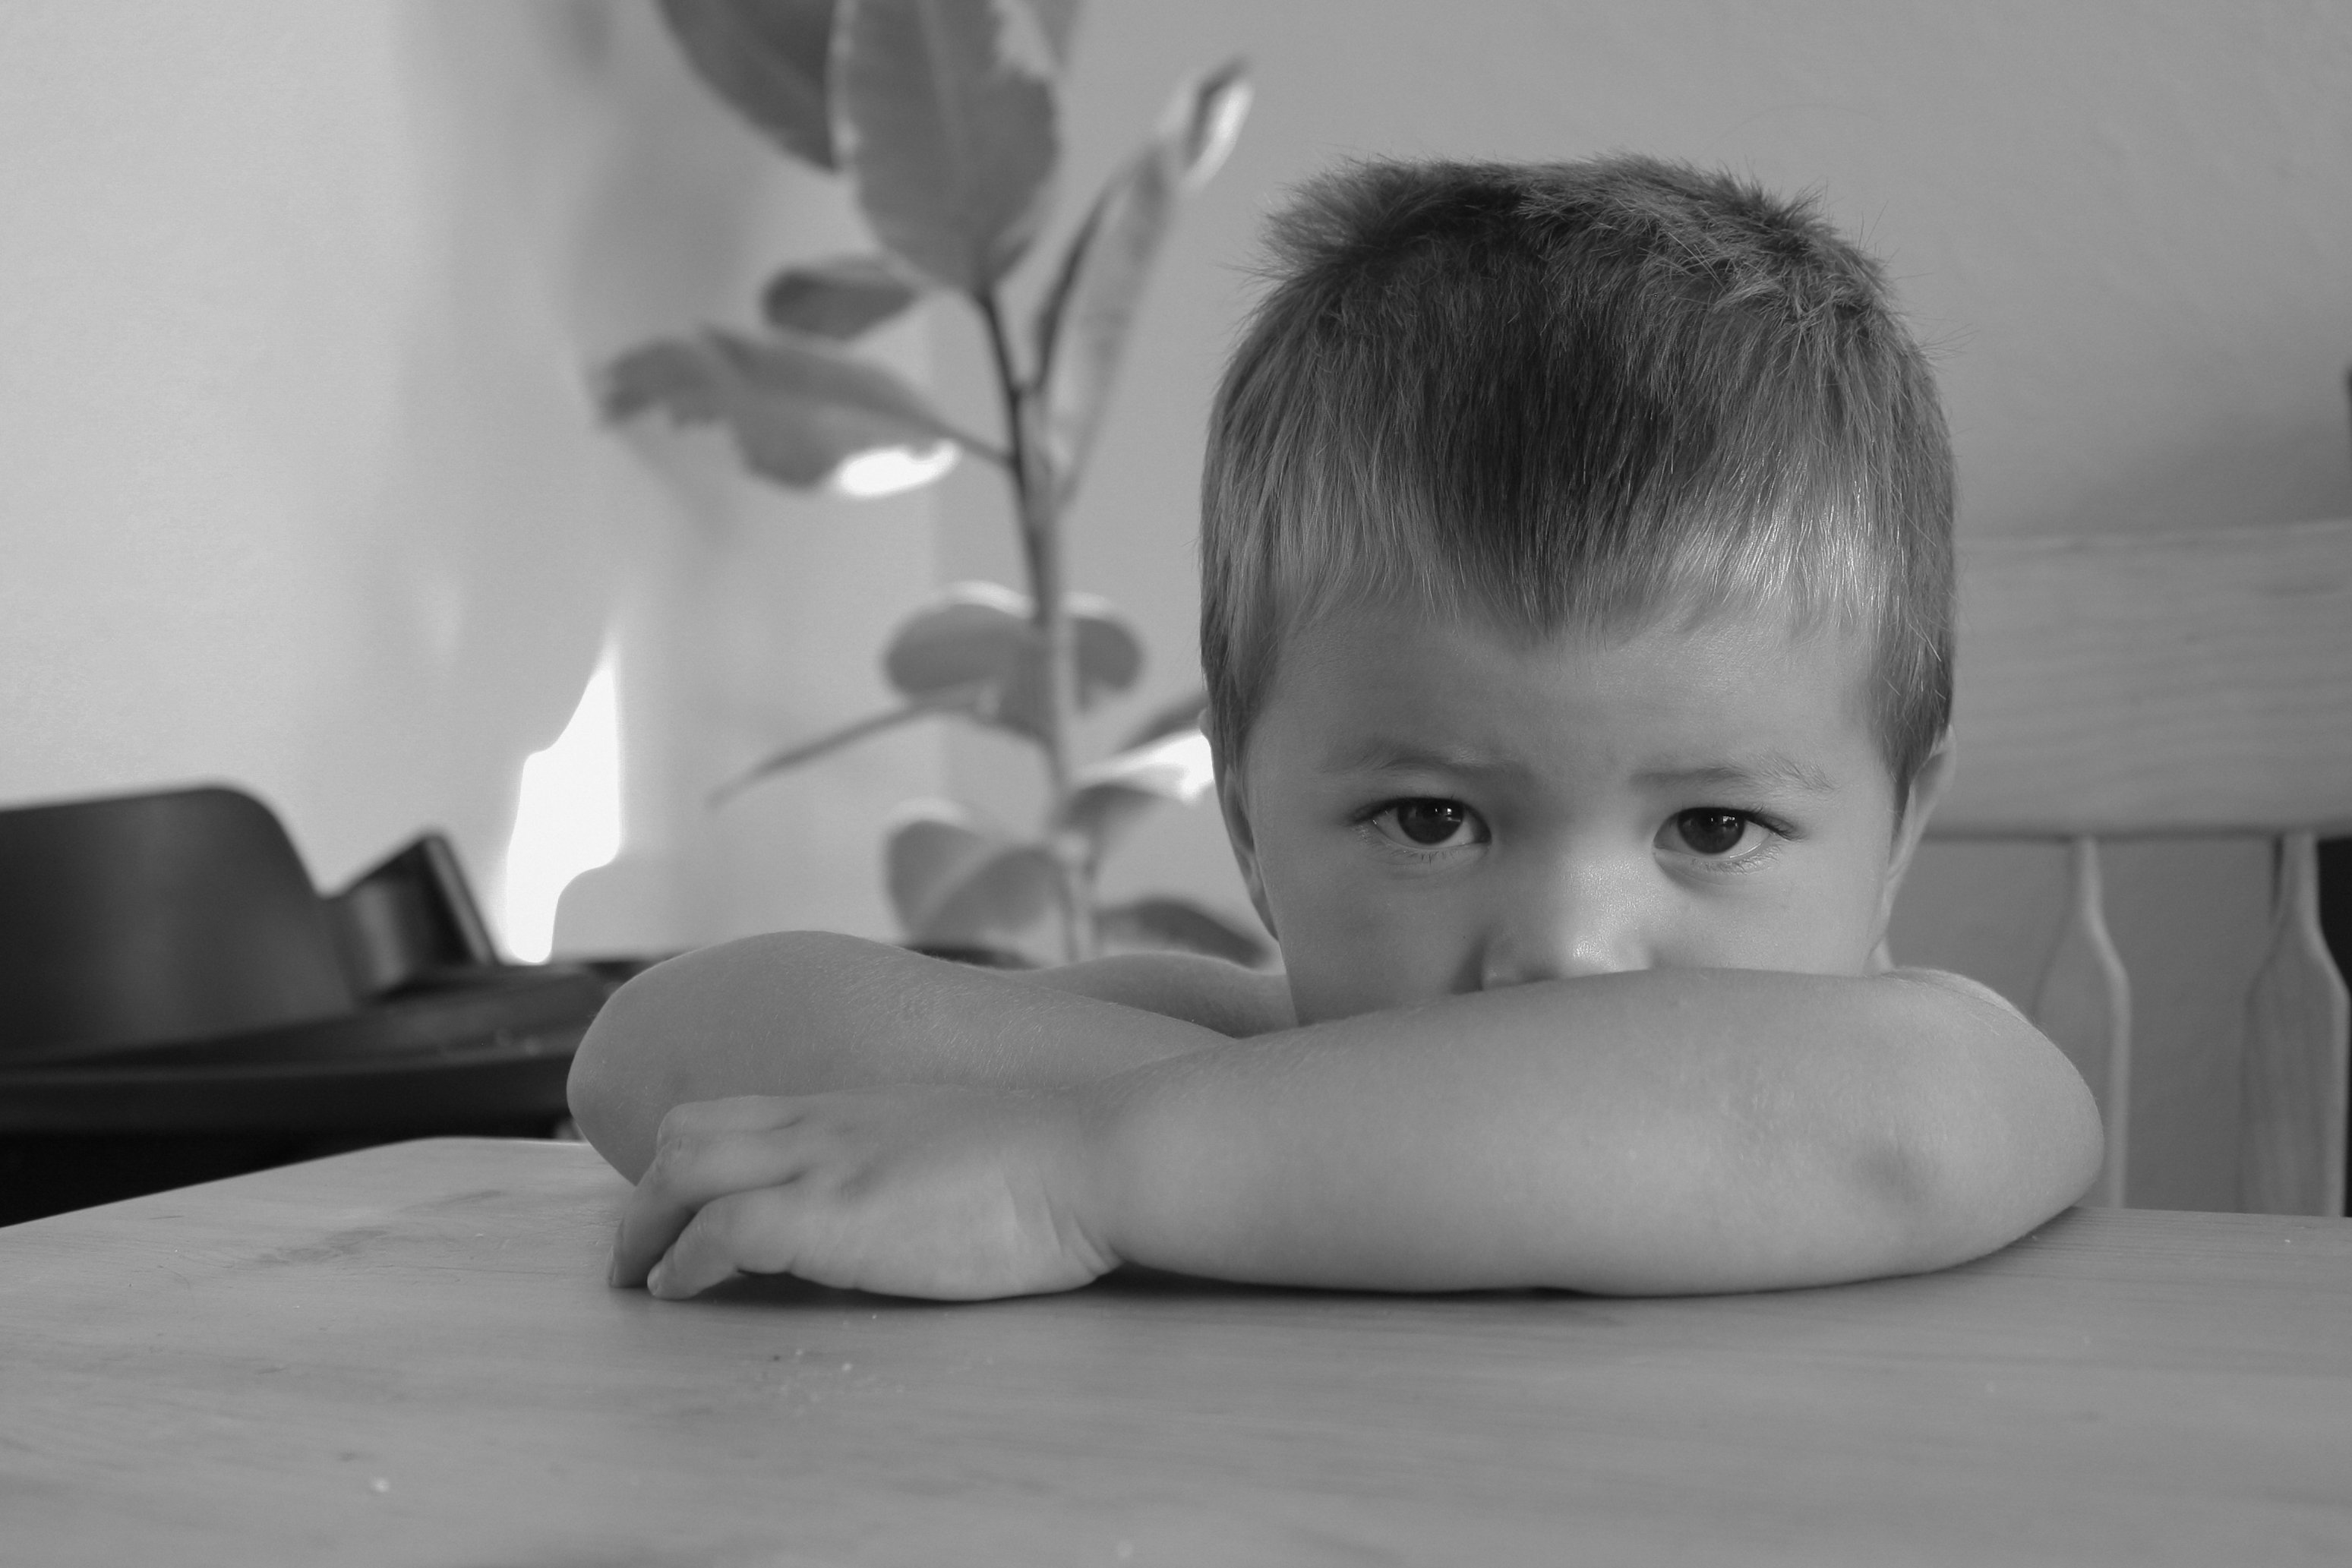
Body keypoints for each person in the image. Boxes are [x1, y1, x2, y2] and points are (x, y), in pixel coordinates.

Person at [570, 155, 2103, 1303]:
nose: (1563, 952)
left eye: (1711, 827)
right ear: (1249, 823)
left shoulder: (1933, 1075)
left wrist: (1093, 1172)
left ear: (1901, 828)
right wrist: (1108, 1135)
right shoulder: (1240, 1060)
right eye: (1431, 818)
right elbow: (660, 1050)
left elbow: (1900, 1125)